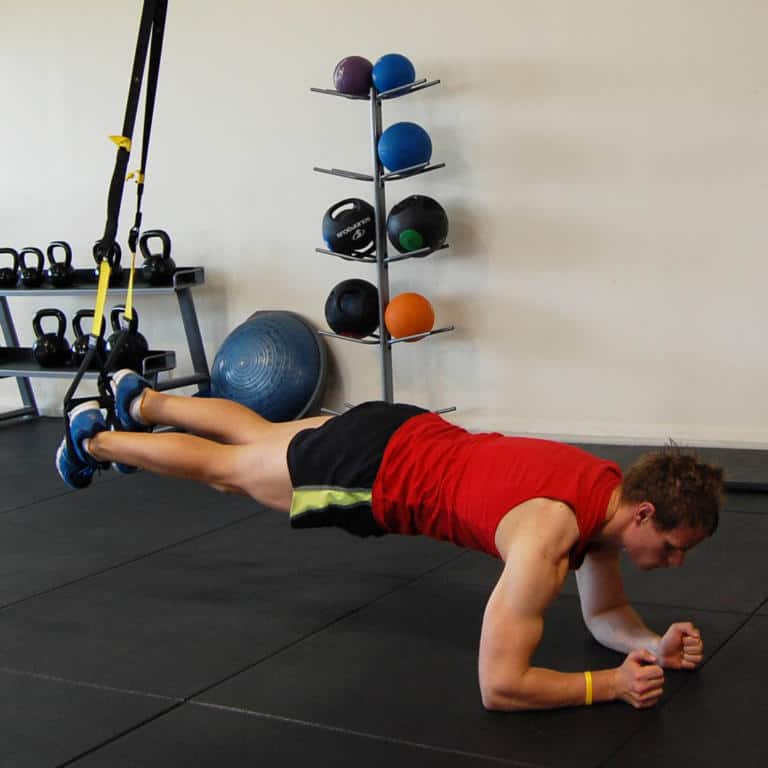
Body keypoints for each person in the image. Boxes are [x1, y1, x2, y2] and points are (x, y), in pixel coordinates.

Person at [56, 369, 724, 712]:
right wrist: (605, 686)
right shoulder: (549, 538)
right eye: (672, 546)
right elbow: (500, 685)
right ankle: (94, 440)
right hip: (370, 477)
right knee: (228, 472)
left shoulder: (604, 489)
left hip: (404, 428)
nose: (676, 560)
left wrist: (650, 646)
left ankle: (143, 402)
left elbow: (605, 614)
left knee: (260, 434)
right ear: (642, 515)